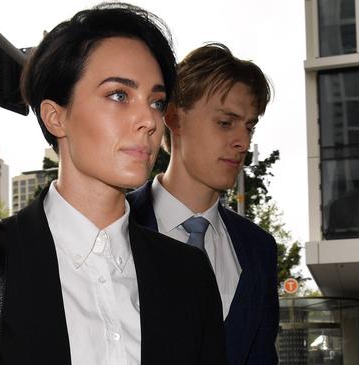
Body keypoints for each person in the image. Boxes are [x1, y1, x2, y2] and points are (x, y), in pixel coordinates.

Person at [0, 3, 226, 364]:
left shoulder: (189, 275)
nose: (149, 120)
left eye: (156, 102)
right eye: (119, 95)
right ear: (56, 117)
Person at [127, 43, 279, 365]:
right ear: (174, 118)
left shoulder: (259, 249)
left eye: (249, 126)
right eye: (226, 122)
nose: (243, 141)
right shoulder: (115, 225)